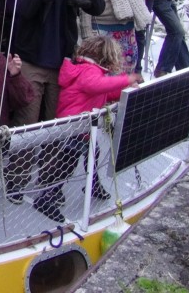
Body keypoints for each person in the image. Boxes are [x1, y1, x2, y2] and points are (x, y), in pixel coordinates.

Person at [8, 0, 105, 201]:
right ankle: (16, 181)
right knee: (28, 124)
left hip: (62, 62)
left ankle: (48, 184)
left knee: (57, 125)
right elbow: (24, 10)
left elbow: (97, 6)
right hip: (32, 58)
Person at [32, 36, 142, 223]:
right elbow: (96, 86)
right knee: (66, 165)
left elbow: (104, 91)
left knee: (93, 152)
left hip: (81, 129)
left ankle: (93, 184)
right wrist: (126, 79)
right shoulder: (89, 72)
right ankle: (46, 197)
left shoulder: (90, 71)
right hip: (73, 128)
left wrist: (125, 90)